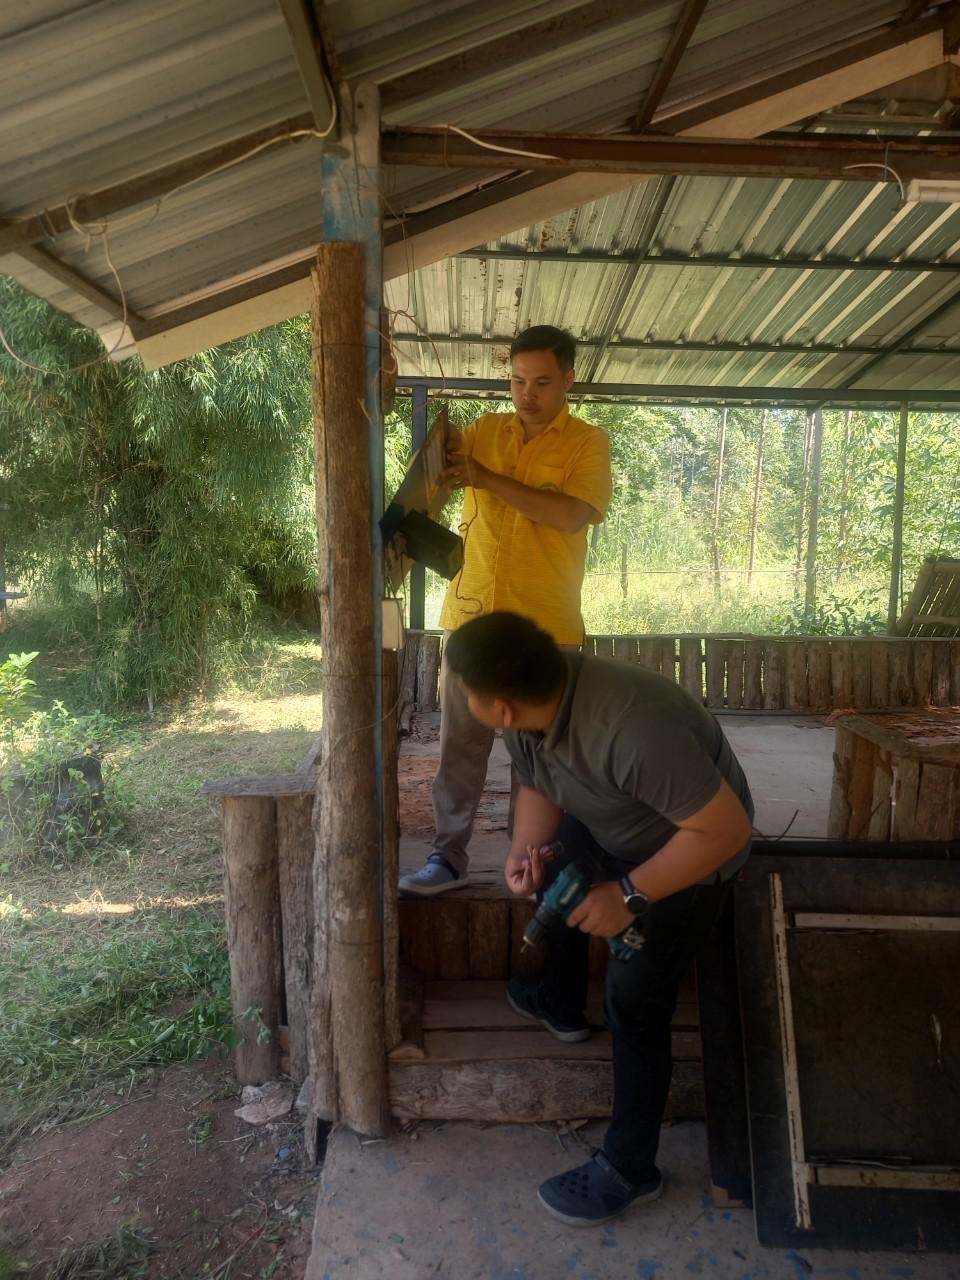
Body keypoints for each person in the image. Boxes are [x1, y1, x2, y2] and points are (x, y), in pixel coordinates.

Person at [442, 610, 754, 1227]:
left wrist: (629, 896)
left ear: (499, 705)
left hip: (691, 855)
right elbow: (538, 780)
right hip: (615, 817)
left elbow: (726, 830)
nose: (460, 698)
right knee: (559, 866)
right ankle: (558, 1003)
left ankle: (630, 1169)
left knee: (634, 1004)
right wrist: (524, 850)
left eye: (463, 690)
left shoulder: (632, 729)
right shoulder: (535, 703)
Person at [400, 326, 612, 897]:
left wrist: (489, 478)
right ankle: (447, 858)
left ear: (569, 379)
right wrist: (439, 456)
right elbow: (437, 483)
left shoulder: (588, 443)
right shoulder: (484, 433)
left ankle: (532, 867)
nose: (527, 394)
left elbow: (571, 515)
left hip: (546, 627)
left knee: (537, 760)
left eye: (542, 382)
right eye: (518, 381)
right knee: (460, 749)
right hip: (472, 618)